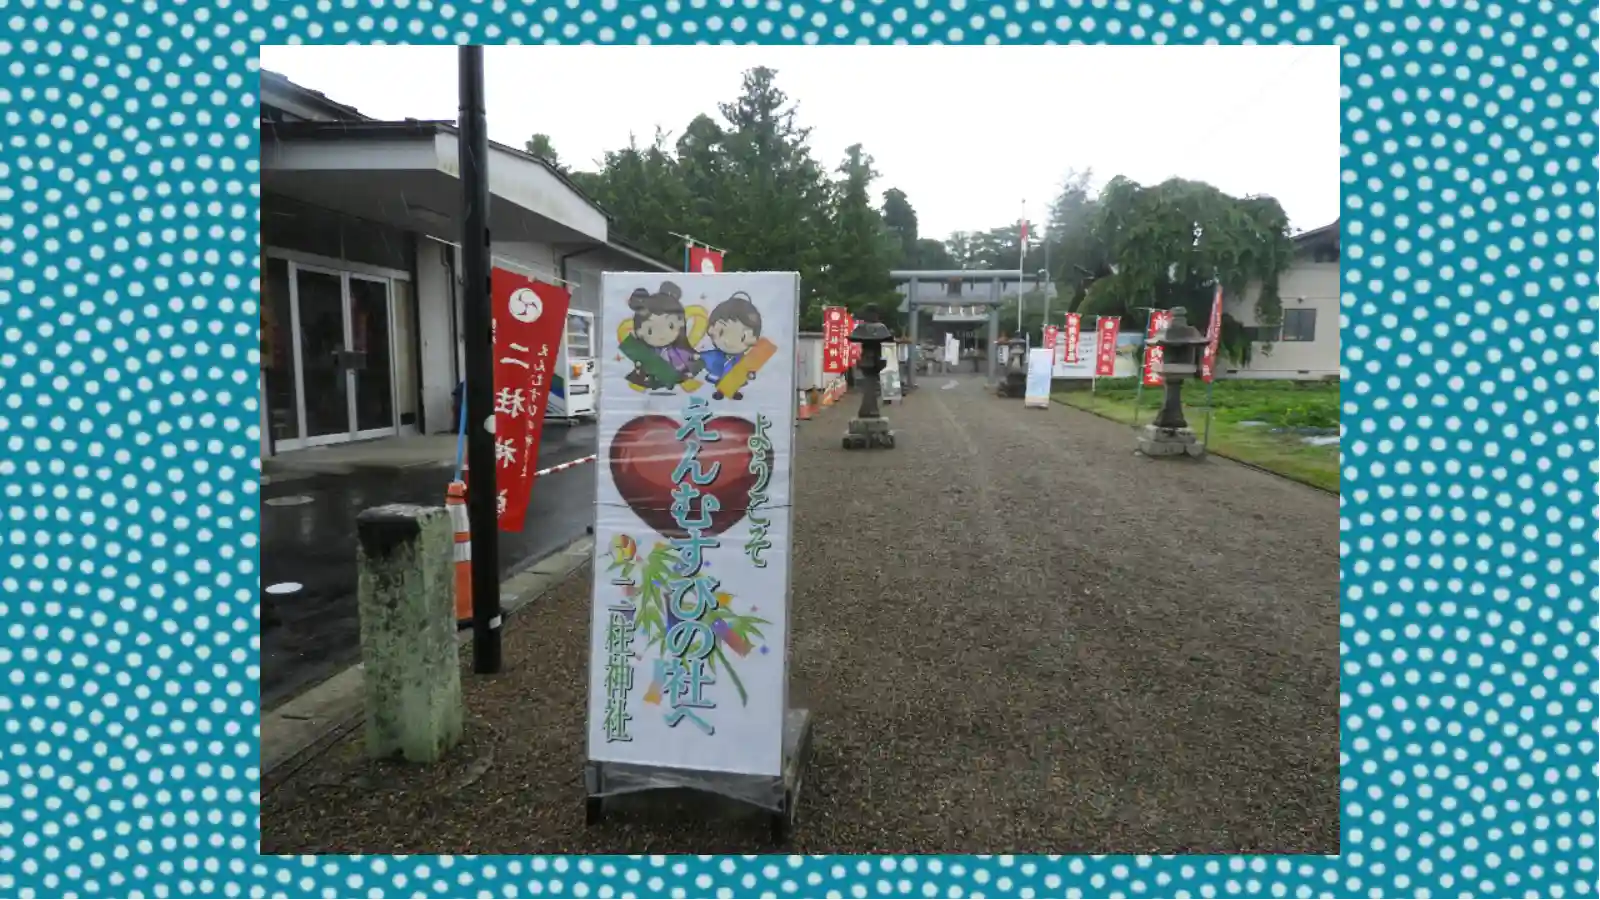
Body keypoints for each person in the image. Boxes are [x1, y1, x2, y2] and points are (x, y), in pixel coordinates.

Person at [698, 292, 763, 400]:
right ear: (711, 329)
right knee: (721, 381)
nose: (729, 342)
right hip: (721, 374)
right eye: (722, 332)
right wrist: (698, 357)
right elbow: (708, 357)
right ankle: (720, 391)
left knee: (734, 382)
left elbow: (748, 366)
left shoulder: (741, 358)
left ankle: (734, 392)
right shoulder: (717, 355)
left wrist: (750, 372)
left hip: (734, 375)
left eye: (742, 337)